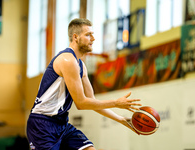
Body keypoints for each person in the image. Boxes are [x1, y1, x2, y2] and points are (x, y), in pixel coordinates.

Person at [26, 18, 141, 150]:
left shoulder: (81, 65)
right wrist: (116, 103)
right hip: (42, 124)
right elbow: (81, 103)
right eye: (88, 35)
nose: (93, 38)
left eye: (92, 34)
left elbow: (91, 101)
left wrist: (120, 119)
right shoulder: (67, 60)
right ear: (75, 37)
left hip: (62, 123)